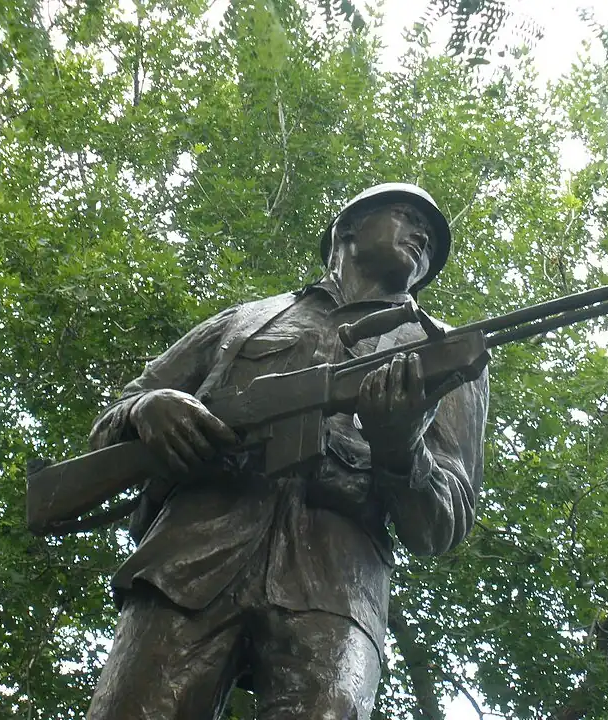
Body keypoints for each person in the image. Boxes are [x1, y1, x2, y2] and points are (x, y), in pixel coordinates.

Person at [85, 183, 489, 720]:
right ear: (347, 228)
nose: (422, 237)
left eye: (432, 240)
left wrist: (400, 448)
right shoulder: (245, 321)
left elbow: (443, 524)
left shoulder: (445, 355)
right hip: (187, 566)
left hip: (335, 593)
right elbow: (114, 418)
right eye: (406, 216)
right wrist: (147, 408)